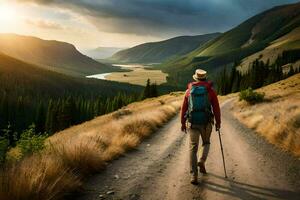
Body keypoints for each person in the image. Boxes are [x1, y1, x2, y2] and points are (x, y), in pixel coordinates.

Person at [181, 69, 221, 184]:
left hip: (193, 122)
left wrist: (182, 123)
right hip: (206, 122)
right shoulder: (211, 91)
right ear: (205, 78)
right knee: (206, 143)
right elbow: (216, 108)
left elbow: (184, 108)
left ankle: (194, 175)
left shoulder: (189, 91)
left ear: (196, 78)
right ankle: (202, 160)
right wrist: (218, 122)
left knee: (193, 148)